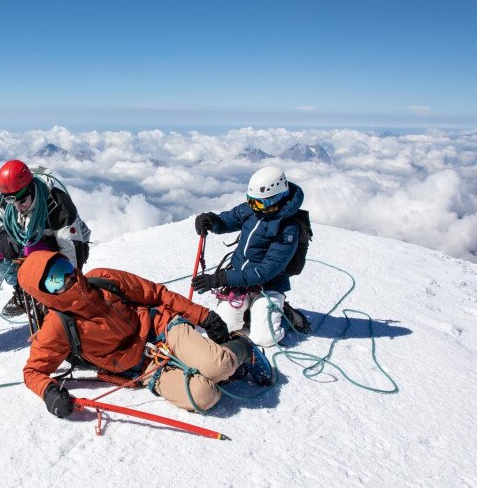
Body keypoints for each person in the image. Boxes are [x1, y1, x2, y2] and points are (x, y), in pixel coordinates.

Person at [17, 250, 274, 418]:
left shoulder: (102, 279)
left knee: (219, 365)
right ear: (44, 293)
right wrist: (49, 393)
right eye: (55, 279)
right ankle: (223, 365)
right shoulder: (57, 326)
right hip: (142, 368)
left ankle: (243, 348)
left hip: (161, 329)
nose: (68, 277)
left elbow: (156, 293)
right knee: (204, 397)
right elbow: (33, 372)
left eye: (64, 266)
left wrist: (201, 316)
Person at [191, 166, 305, 348]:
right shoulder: (254, 209)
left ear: (276, 199)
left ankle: (286, 315)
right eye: (251, 201)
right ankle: (249, 311)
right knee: (223, 329)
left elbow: (264, 272)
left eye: (259, 204)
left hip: (267, 286)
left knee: (265, 339)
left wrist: (219, 279)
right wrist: (212, 220)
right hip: (239, 281)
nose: (254, 208)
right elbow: (229, 219)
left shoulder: (288, 228)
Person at [0, 160, 91, 317]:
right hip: (31, 243)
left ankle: (44, 293)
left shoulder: (56, 204)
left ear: (31, 190)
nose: (17, 206)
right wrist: (2, 235)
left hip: (69, 247)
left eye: (21, 201)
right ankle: (23, 290)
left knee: (31, 248)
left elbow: (71, 247)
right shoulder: (9, 198)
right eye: (11, 201)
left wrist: (70, 287)